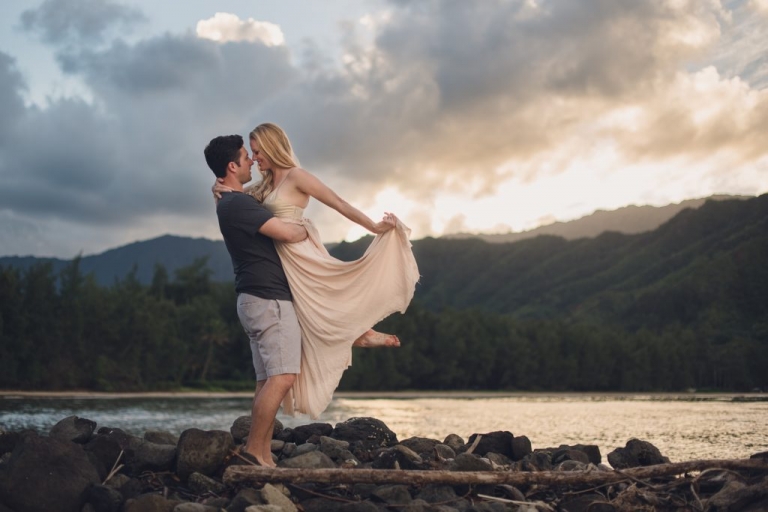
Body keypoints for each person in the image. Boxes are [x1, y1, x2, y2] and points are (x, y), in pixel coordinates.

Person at [214, 123, 420, 419]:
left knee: (331, 293)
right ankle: (359, 333)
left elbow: (337, 202)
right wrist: (218, 188)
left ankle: (361, 332)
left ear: (273, 147)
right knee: (308, 314)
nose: (256, 159)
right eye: (252, 154)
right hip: (281, 261)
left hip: (300, 253)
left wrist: (373, 226)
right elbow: (236, 203)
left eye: (258, 152)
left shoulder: (297, 177)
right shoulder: (264, 186)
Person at [204, 134, 308, 467]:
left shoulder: (228, 201)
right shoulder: (238, 204)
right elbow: (289, 234)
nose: (252, 161)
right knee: (283, 377)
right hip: (268, 300)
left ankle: (260, 453)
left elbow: (237, 199)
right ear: (232, 166)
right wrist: (306, 227)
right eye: (246, 157)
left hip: (252, 299)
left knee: (266, 379)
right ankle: (254, 450)